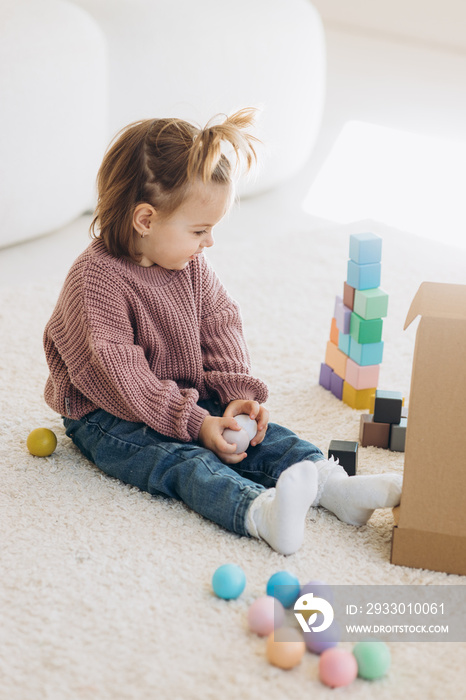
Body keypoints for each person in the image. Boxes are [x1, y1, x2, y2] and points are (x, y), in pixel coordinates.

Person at [43, 109, 402, 556]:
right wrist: (196, 423)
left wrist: (233, 393)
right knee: (183, 462)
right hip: (108, 414)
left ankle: (335, 488)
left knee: (258, 435)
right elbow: (126, 377)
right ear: (145, 220)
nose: (209, 242)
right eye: (199, 230)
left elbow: (219, 322)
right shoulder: (95, 281)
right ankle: (259, 513)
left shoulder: (189, 263)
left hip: (175, 393)